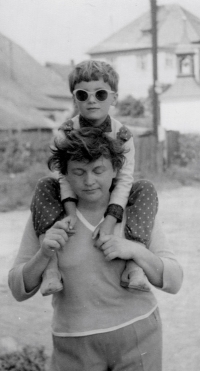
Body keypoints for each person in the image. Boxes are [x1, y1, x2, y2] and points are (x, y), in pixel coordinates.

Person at [9, 128, 183, 371]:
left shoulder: (134, 210)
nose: (89, 181)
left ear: (115, 170)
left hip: (138, 336)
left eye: (98, 170)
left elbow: (175, 281)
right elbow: (18, 289)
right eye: (79, 172)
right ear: (65, 175)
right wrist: (44, 254)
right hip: (73, 344)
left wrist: (134, 250)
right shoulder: (50, 216)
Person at [36, 60, 158, 296]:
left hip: (111, 193)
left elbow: (124, 179)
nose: (91, 100)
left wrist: (110, 221)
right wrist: (70, 212)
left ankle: (134, 267)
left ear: (113, 98)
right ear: (74, 99)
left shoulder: (122, 135)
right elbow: (63, 176)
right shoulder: (65, 132)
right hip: (77, 190)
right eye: (83, 94)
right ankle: (50, 269)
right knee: (45, 185)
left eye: (100, 94)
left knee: (145, 188)